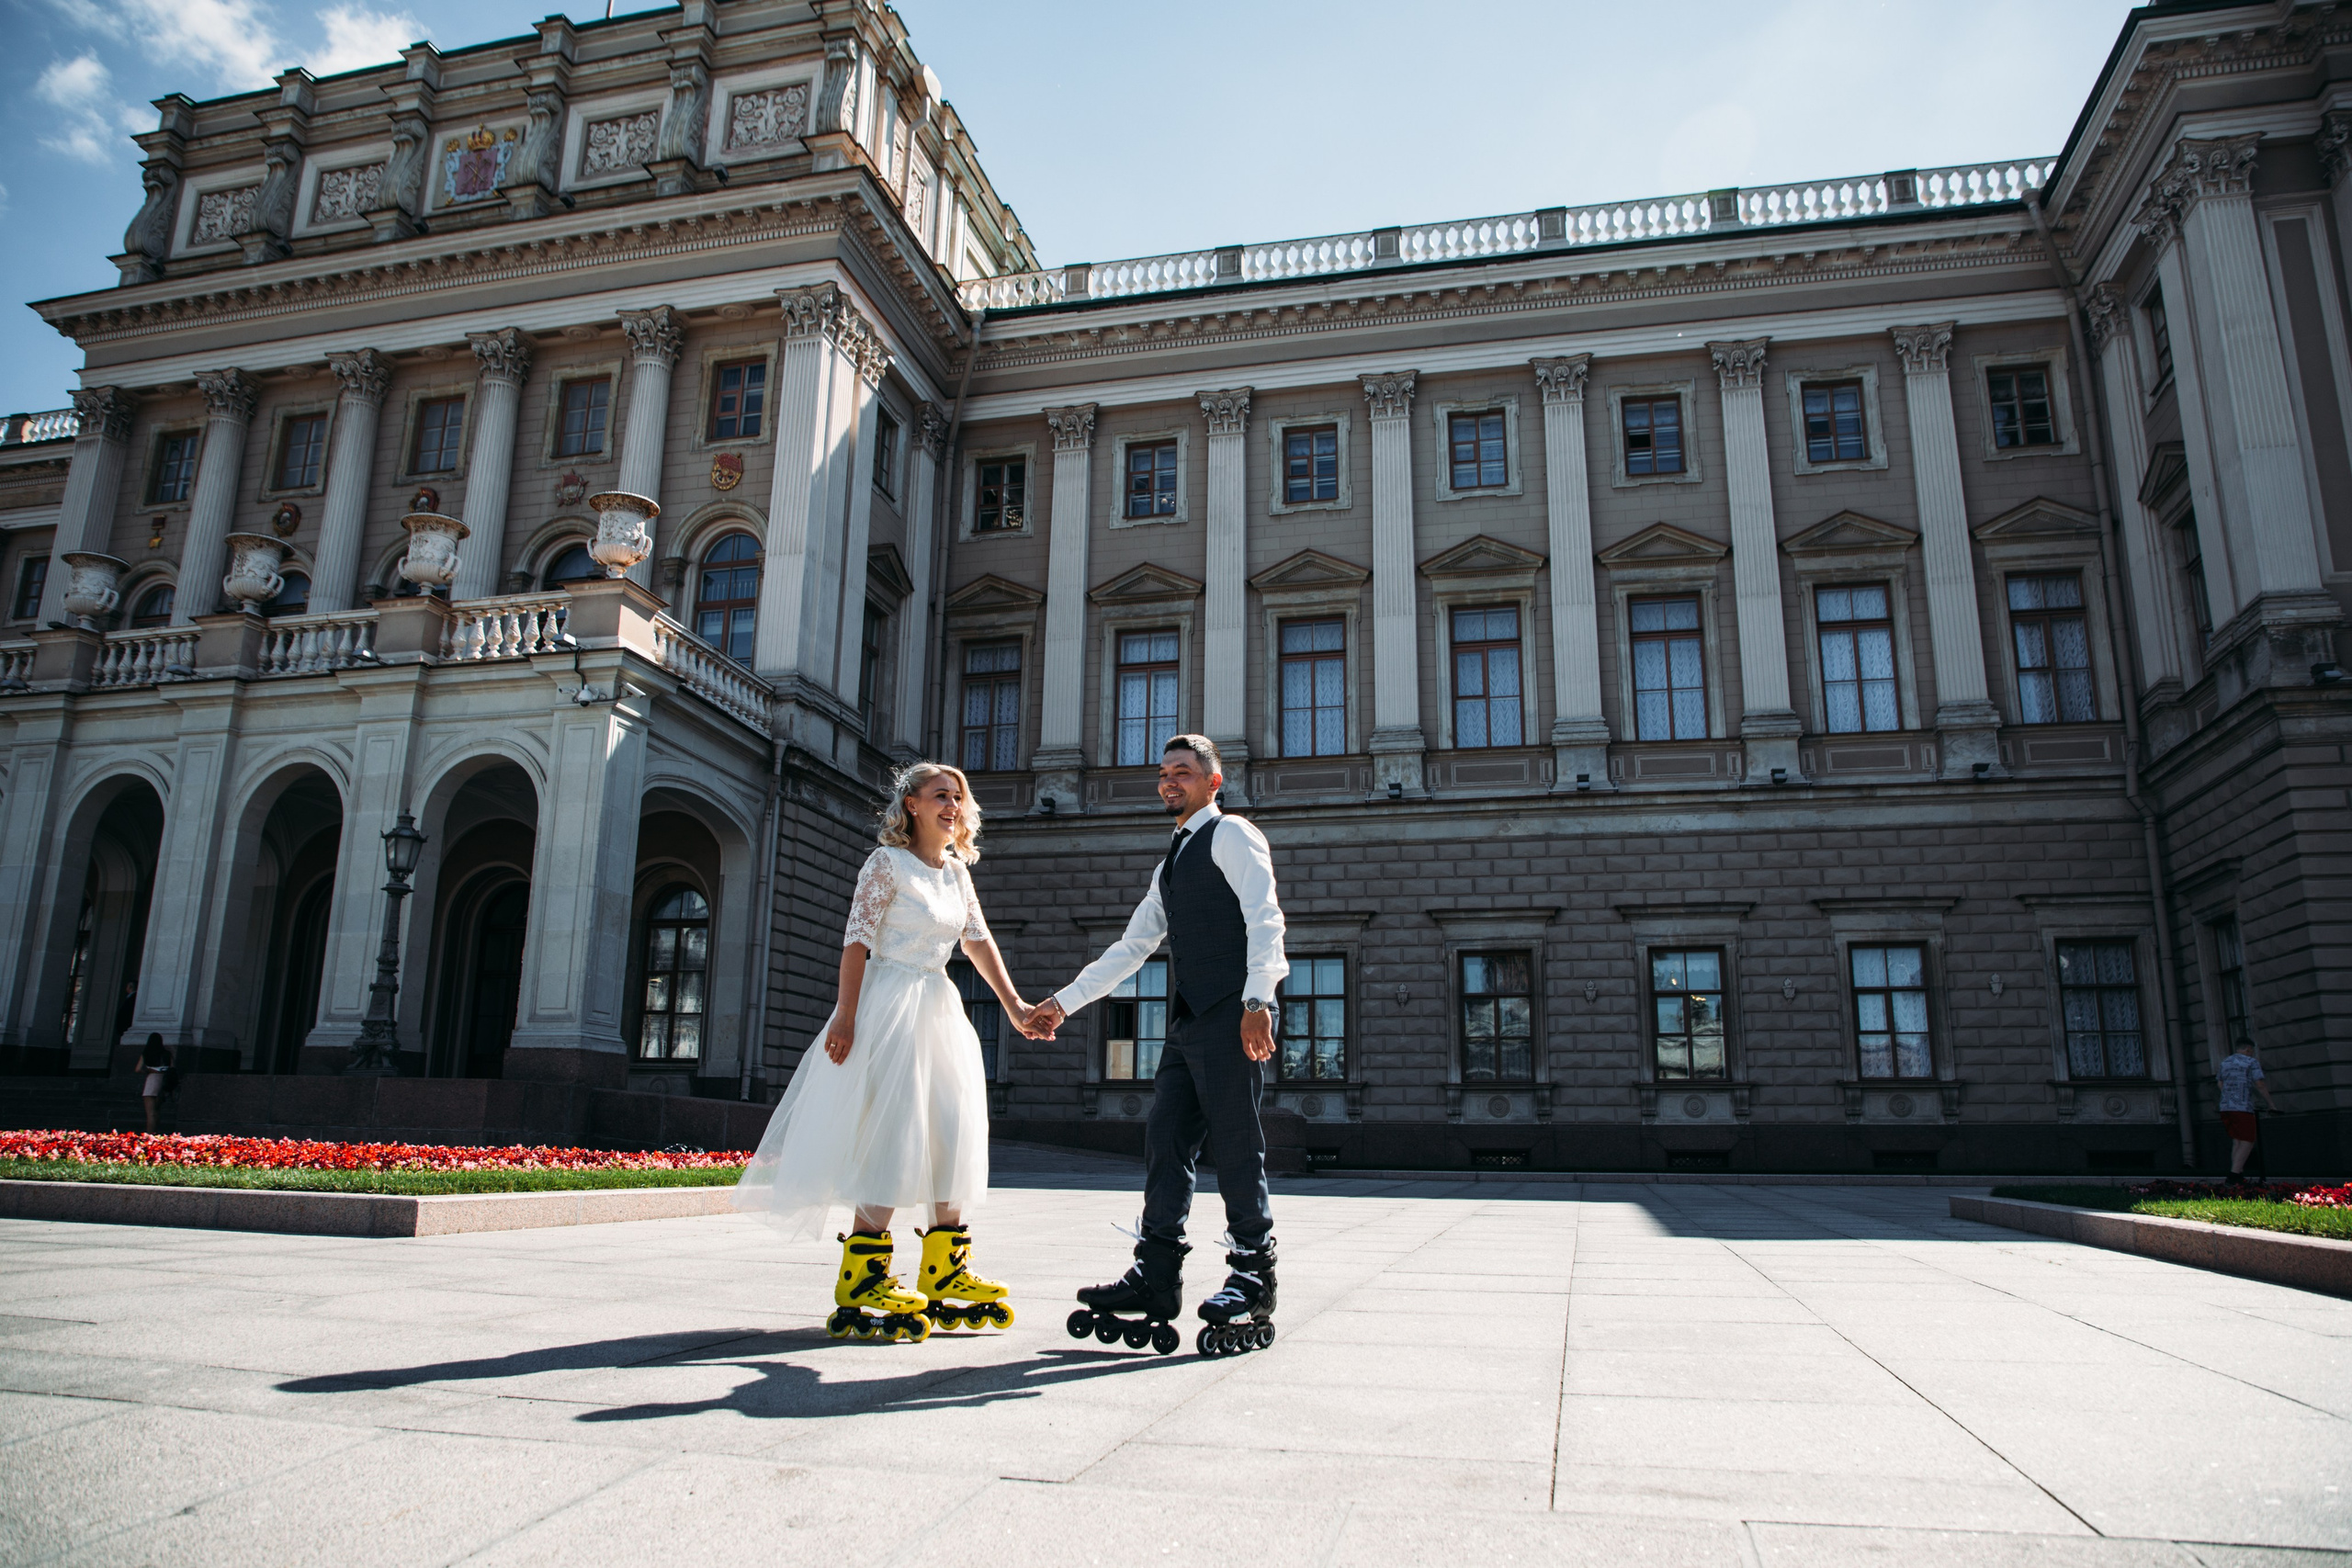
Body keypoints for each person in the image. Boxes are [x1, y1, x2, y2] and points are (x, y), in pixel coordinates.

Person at [733, 762, 1033, 1343]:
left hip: (939, 1007)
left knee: (951, 1128)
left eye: (959, 797)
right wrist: (845, 1016)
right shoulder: (885, 864)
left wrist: (1016, 1007)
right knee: (893, 1133)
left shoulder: (956, 874)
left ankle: (947, 1272)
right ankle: (864, 1278)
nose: (953, 805)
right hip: (889, 1005)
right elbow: (857, 942)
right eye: (940, 795)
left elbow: (978, 942)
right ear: (912, 805)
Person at [1029, 735, 1289, 1357]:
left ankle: (1254, 1272)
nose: (1171, 782)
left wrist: (1259, 1001)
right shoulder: (1171, 857)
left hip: (1232, 1014)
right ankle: (1156, 1271)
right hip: (1190, 1023)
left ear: (1213, 781)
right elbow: (1131, 948)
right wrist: (1062, 1001)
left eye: (1185, 772)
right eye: (1165, 773)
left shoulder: (1233, 835)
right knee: (1165, 1139)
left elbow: (1266, 918)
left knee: (1235, 1141)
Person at [2217, 1036, 2277, 1181]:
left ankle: (2239, 1173)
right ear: (2248, 1049)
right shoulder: (2251, 1062)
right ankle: (2234, 1174)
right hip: (2242, 1107)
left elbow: (2220, 1082)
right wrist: (2271, 1104)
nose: (2252, 1054)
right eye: (2251, 1051)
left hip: (2226, 1107)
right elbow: (2260, 1084)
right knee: (2248, 1140)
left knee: (2237, 1140)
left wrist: (2228, 1096)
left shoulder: (2225, 1062)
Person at [136, 1034, 172, 1135]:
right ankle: (156, 1132)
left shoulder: (146, 1053)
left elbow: (137, 1069)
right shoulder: (167, 1054)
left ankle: (150, 1134)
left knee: (150, 1113)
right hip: (163, 1081)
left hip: (152, 1080)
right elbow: (172, 1068)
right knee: (157, 1111)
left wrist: (147, 1071)